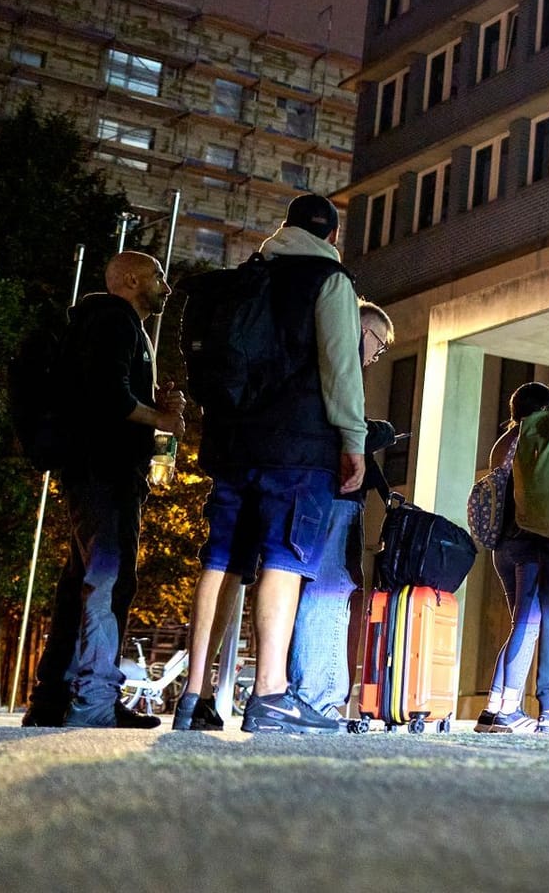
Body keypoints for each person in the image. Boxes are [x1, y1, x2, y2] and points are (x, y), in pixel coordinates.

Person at [178, 195, 366, 734]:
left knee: (222, 559)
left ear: (283, 229)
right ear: (331, 237)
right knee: (284, 557)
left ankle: (195, 697)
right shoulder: (329, 281)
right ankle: (271, 694)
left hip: (233, 443)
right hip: (298, 448)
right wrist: (352, 439)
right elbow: (341, 369)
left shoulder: (246, 278)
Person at [22, 252, 185, 729]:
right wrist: (161, 419)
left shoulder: (111, 326)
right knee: (108, 578)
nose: (166, 287)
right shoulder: (115, 321)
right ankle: (93, 698)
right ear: (130, 280)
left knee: (81, 581)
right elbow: (107, 395)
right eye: (158, 277)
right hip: (104, 469)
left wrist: (153, 406)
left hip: (96, 467)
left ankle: (52, 699)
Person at [283, 301, 395, 719]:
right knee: (330, 591)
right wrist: (379, 431)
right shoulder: (340, 368)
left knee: (320, 589)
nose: (376, 355)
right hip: (338, 495)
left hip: (315, 489)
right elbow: (350, 431)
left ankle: (313, 695)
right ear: (361, 330)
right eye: (378, 345)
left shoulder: (316, 360)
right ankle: (319, 699)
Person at [474, 382, 549, 733]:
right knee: (528, 626)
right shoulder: (531, 440)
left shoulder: (502, 443)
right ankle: (509, 709)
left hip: (502, 548)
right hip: (528, 543)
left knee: (518, 627)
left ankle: (493, 707)